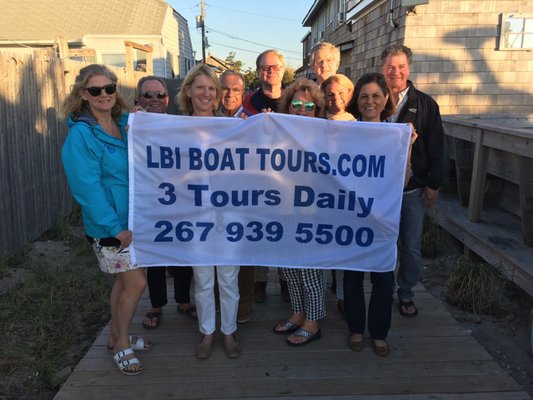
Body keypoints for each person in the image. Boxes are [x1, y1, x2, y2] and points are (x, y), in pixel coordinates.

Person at [62, 64, 150, 375]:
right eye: (95, 90)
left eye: (109, 88)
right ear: (83, 95)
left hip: (133, 219)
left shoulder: (124, 123)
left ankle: (115, 336)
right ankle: (123, 344)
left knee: (123, 283)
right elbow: (87, 188)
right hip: (111, 227)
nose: (104, 95)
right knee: (136, 284)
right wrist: (114, 228)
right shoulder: (82, 136)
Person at [344, 72, 417, 357]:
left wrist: (407, 149)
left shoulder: (395, 134)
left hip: (383, 219)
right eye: (364, 96)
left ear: (386, 99)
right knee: (351, 277)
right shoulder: (346, 133)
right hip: (350, 216)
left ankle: (379, 332)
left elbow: (404, 181)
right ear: (357, 101)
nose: (370, 101)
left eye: (376, 95)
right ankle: (355, 328)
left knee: (383, 278)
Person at [176, 64, 241, 359]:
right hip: (194, 213)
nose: (206, 93)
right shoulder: (173, 128)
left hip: (228, 214)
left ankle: (228, 332)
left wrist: (266, 128)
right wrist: (137, 129)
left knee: (228, 277)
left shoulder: (232, 127)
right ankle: (207, 332)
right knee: (202, 278)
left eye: (211, 88)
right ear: (188, 91)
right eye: (200, 87)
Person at [380, 44, 449, 318]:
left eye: (400, 67)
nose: (395, 72)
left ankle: (406, 292)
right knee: (381, 241)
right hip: (379, 190)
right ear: (382, 68)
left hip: (411, 189)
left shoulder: (425, 105)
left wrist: (434, 184)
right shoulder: (374, 99)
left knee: (409, 244)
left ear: (408, 69)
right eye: (389, 67)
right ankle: (382, 289)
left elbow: (438, 147)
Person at [135, 76, 197, 330]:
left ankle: (183, 301)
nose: (154, 100)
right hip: (149, 201)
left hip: (180, 199)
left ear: (167, 99)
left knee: (182, 253)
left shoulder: (178, 125)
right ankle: (156, 304)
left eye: (159, 95)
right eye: (148, 95)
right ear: (138, 98)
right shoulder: (131, 124)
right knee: (155, 256)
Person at [272, 78, 327, 346]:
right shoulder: (278, 133)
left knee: (309, 269)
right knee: (289, 267)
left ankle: (313, 321)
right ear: (288, 107)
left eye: (309, 105)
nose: (302, 110)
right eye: (296, 104)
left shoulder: (326, 136)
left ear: (316, 110)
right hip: (282, 208)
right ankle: (297, 312)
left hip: (311, 213)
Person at [242, 49, 289, 303]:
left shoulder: (294, 100)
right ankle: (260, 280)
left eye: (273, 67)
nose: (269, 71)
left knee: (284, 231)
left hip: (287, 178)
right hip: (255, 178)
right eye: (264, 67)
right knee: (258, 229)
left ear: (282, 70)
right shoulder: (247, 101)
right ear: (258, 71)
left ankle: (284, 279)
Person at [218, 70, 255, 324]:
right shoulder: (203, 118)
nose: (230, 94)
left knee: (244, 257)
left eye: (236, 90)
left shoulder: (255, 120)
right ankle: (215, 308)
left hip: (245, 199)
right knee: (212, 255)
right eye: (225, 88)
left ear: (243, 93)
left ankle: (243, 308)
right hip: (211, 199)